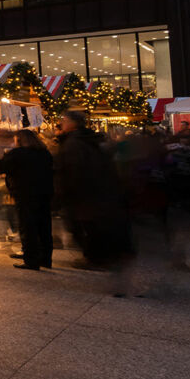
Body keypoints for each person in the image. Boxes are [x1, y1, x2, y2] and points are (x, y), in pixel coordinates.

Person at [55, 110, 130, 272]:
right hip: (99, 191)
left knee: (86, 227)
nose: (61, 123)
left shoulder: (74, 143)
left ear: (72, 123)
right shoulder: (91, 139)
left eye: (64, 120)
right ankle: (100, 256)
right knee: (93, 226)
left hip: (85, 193)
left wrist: (66, 191)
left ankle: (95, 259)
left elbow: (74, 170)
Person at [0, 129, 54, 270]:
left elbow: (0, 167)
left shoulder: (18, 153)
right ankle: (46, 258)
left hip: (25, 194)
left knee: (28, 226)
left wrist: (5, 155)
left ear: (20, 140)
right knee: (44, 226)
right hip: (44, 193)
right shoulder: (44, 153)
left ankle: (31, 259)